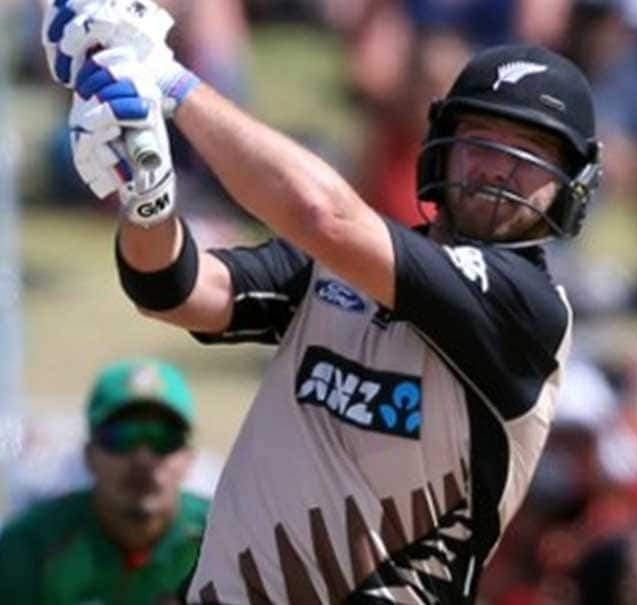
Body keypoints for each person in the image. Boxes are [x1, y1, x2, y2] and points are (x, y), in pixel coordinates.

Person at [41, 0, 602, 601]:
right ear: (441, 147)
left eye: (531, 153)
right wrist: (148, 197)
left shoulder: (527, 310)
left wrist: (170, 81)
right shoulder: (342, 265)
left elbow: (320, 214)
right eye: (482, 141)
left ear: (571, 182)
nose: (499, 169)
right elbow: (176, 290)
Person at [0, 357, 210, 604]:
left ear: (188, 458)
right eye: (120, 437)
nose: (142, 458)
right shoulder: (29, 547)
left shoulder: (225, 539)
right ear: (89, 456)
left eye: (163, 438)